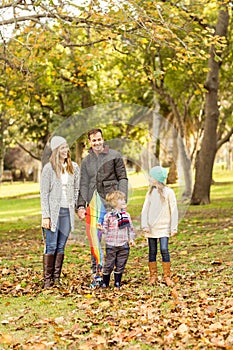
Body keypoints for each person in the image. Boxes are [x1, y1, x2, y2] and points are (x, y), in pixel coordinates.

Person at [76, 128, 128, 279]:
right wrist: (80, 206)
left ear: (103, 139)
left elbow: (123, 178)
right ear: (90, 142)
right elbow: (84, 184)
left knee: (114, 240)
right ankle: (97, 273)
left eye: (99, 139)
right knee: (94, 237)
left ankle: (115, 273)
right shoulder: (86, 161)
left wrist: (122, 200)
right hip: (94, 202)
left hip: (112, 202)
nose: (97, 142)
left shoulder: (114, 156)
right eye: (94, 140)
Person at [40, 136, 79, 288]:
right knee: (51, 245)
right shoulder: (48, 168)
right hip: (53, 213)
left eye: (66, 147)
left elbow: (76, 188)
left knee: (61, 246)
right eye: (61, 148)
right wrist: (46, 215)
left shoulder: (73, 167)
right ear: (56, 150)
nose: (65, 150)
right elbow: (44, 193)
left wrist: (75, 205)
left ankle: (56, 278)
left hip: (66, 212)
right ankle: (47, 280)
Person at [141, 166, 178, 287]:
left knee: (164, 249)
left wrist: (173, 227)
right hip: (151, 228)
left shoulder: (169, 192)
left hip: (164, 228)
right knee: (152, 251)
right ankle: (153, 276)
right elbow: (145, 210)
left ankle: (167, 276)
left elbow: (174, 210)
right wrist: (145, 225)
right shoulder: (150, 193)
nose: (149, 179)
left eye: (151, 177)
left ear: (157, 179)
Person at [101, 190, 135, 289]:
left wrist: (131, 239)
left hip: (123, 244)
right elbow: (105, 230)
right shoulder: (108, 216)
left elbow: (130, 229)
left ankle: (117, 282)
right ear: (114, 203)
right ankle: (105, 282)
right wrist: (101, 228)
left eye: (123, 199)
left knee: (121, 263)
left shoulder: (126, 216)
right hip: (111, 244)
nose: (124, 201)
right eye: (120, 200)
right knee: (109, 264)